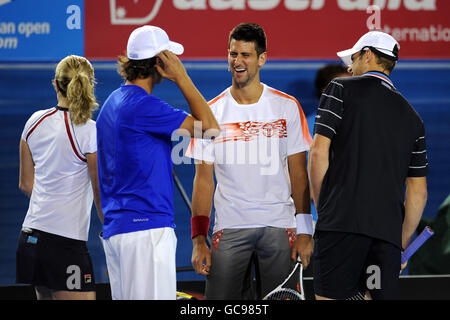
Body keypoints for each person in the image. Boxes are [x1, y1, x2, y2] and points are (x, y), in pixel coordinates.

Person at [187, 23, 314, 300]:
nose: (238, 61)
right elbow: (203, 181)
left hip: (280, 225)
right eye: (233, 54)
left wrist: (305, 231)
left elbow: (299, 175)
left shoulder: (287, 106)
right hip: (230, 225)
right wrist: (199, 240)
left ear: (262, 59)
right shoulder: (211, 113)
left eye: (246, 55)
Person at [96, 25, 219, 300]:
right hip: (146, 231)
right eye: (169, 58)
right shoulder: (143, 106)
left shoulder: (111, 104)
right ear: (158, 63)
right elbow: (210, 128)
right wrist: (182, 77)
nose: (175, 63)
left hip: (118, 232)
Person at [308, 31, 429, 300]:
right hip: (385, 238)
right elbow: (419, 192)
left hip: (340, 226)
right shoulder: (413, 118)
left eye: (353, 58)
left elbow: (317, 153)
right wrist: (400, 242)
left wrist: (324, 209)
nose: (349, 67)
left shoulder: (339, 89)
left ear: (368, 55)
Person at [16, 55, 103, 300]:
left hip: (30, 238)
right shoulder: (89, 130)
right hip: (64, 244)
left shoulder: (33, 122)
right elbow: (99, 192)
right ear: (89, 84)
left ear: (55, 84)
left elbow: (25, 183)